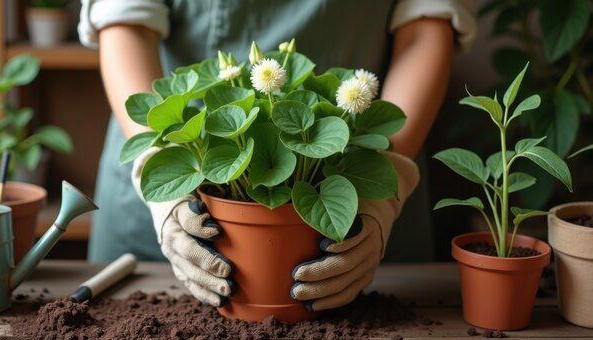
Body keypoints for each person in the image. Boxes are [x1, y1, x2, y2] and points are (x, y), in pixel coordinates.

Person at [78, 0, 476, 310]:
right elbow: (124, 20)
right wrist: (157, 162)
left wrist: (384, 190)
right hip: (168, 153)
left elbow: (428, 22)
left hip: (361, 162)